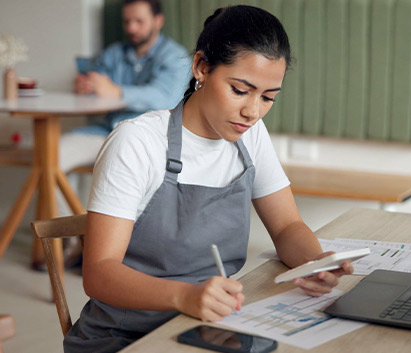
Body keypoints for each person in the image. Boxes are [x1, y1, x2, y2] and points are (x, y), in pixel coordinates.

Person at [63, 5, 353, 352]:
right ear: (201, 67)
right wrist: (185, 296)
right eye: (240, 90)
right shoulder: (137, 142)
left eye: (268, 97)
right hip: (125, 337)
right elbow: (98, 273)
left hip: (208, 327)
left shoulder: (251, 135)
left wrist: (312, 263)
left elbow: (287, 226)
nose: (253, 111)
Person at [51, 0, 192, 270]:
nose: (131, 28)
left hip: (149, 140)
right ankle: (75, 242)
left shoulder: (175, 57)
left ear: (158, 21)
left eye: (139, 21)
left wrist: (115, 91)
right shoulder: (114, 53)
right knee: (50, 158)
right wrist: (86, 85)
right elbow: (95, 82)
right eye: (127, 22)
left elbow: (166, 97)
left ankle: (118, 251)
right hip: (105, 132)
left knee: (126, 174)